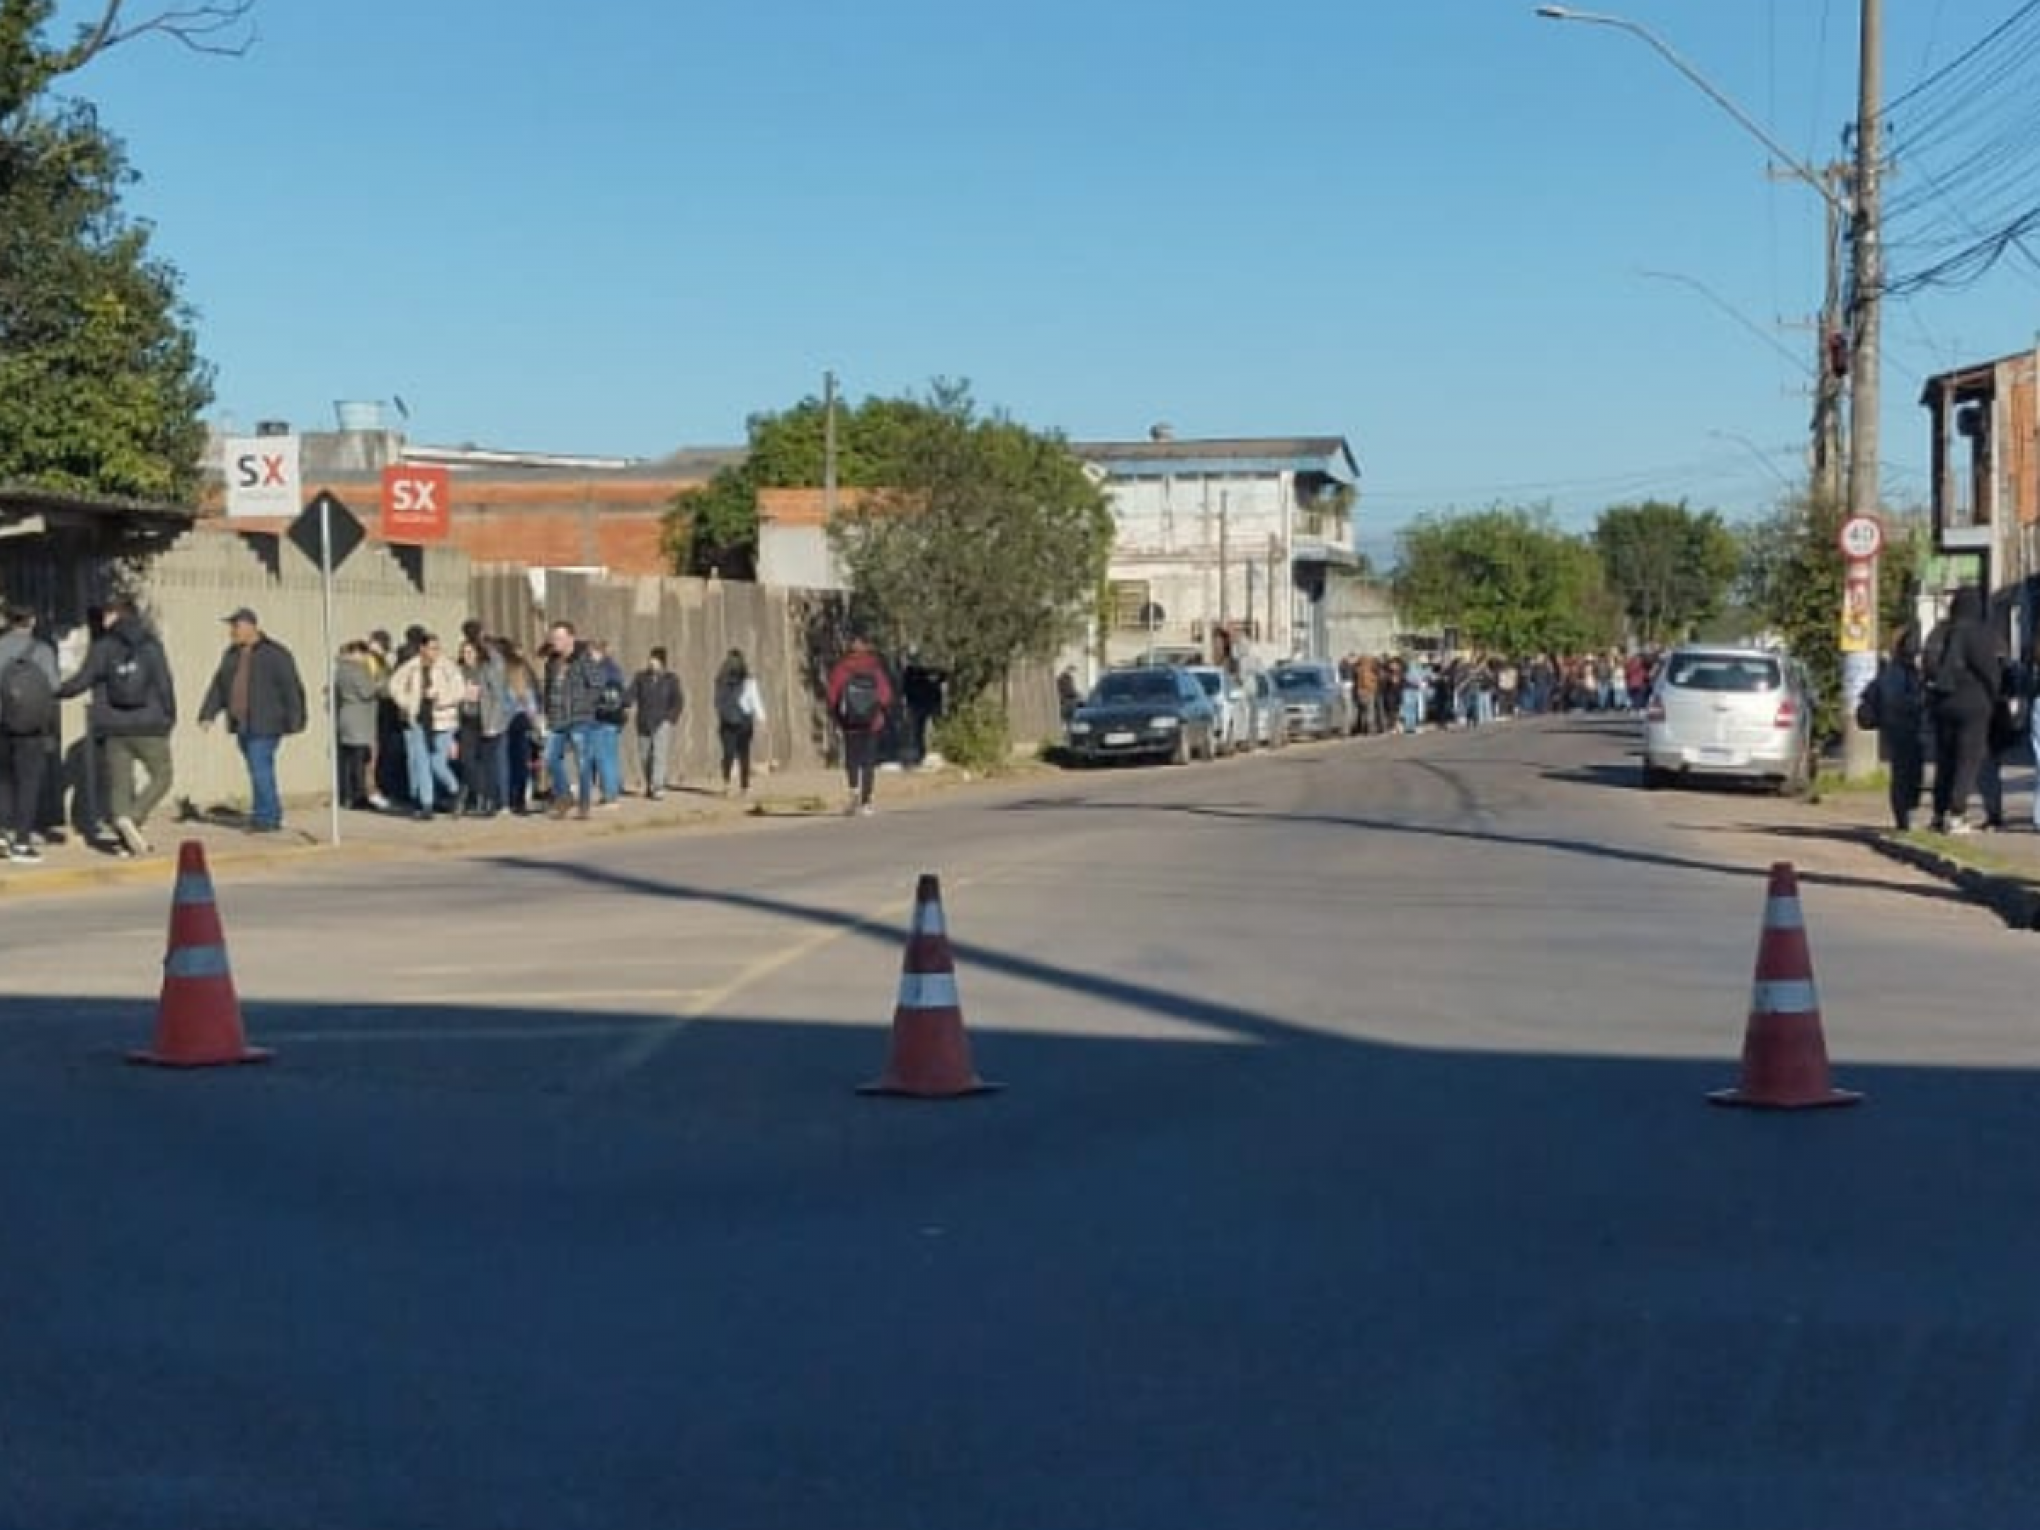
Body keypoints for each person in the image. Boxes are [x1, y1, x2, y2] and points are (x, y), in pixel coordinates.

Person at [55, 598, 178, 857]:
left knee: (119, 784)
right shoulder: (151, 644)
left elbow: (82, 680)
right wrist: (169, 717)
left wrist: (56, 690)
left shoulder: (103, 646)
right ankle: (133, 818)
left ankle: (125, 831)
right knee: (162, 775)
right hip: (149, 724)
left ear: (116, 615)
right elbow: (164, 683)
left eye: (106, 614)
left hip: (113, 726)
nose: (102, 619)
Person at [197, 607, 307, 834]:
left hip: (267, 721)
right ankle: (269, 813)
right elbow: (219, 686)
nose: (232, 632)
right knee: (258, 769)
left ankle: (266, 819)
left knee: (260, 767)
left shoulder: (275, 653)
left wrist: (296, 719)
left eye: (235, 626)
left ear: (250, 626)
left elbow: (292, 687)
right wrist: (208, 714)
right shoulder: (231, 655)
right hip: (242, 722)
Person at [1922, 585, 2003, 835]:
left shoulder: (1939, 632)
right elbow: (1990, 671)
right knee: (1968, 760)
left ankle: (1938, 813)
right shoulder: (1979, 633)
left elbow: (1927, 665)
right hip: (1974, 704)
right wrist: (1995, 697)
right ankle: (1957, 815)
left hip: (1942, 702)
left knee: (1945, 760)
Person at [0, 605, 60, 863]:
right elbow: (55, 686)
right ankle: (22, 843)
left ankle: (2, 834)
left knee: (3, 780)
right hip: (32, 727)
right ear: (32, 621)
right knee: (28, 783)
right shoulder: (42, 651)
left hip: (1, 722)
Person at [386, 632, 464, 820]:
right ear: (422, 649)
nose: (435, 652)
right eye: (431, 648)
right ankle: (427, 804)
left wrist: (440, 697)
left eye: (437, 648)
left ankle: (455, 789)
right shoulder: (412, 667)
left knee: (437, 763)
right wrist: (407, 702)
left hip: (443, 721)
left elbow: (459, 690)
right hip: (419, 720)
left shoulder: (447, 666)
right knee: (422, 763)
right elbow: (394, 685)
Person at [1860, 627, 1927, 831]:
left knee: (1910, 773)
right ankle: (1904, 818)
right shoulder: (1897, 673)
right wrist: (1921, 701)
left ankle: (1906, 816)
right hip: (1902, 728)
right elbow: (1897, 701)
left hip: (1903, 728)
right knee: (1905, 774)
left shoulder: (1902, 671)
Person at [826, 633, 895, 816]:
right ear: (866, 648)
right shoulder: (874, 669)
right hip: (872, 722)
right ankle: (866, 802)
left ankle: (854, 791)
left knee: (852, 759)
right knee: (869, 762)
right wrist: (880, 713)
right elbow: (886, 696)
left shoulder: (841, 669)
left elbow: (832, 698)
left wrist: (837, 719)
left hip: (849, 723)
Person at [540, 620, 600, 819]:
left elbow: (597, 685)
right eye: (553, 638)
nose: (555, 642)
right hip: (556, 719)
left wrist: (584, 706)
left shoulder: (584, 659)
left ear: (570, 638)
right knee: (549, 758)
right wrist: (545, 713)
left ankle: (584, 805)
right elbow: (548, 690)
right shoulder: (552, 662)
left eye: (559, 638)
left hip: (579, 718)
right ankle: (565, 796)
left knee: (583, 762)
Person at [629, 646, 684, 798]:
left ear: (662, 662)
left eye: (654, 660)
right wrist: (624, 703)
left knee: (660, 755)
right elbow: (631, 694)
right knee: (645, 757)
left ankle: (658, 786)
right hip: (643, 721)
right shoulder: (640, 677)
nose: (651, 662)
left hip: (662, 722)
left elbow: (678, 700)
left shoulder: (671, 679)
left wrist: (670, 718)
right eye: (650, 659)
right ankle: (650, 784)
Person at [334, 640, 382, 811]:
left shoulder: (340, 670)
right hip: (360, 718)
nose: (364, 657)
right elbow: (366, 691)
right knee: (359, 759)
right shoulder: (358, 670)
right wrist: (377, 683)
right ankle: (359, 796)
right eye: (363, 653)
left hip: (346, 714)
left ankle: (347, 795)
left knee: (347, 759)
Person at [712, 648, 763, 798]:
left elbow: (755, 699)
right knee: (729, 753)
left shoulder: (749, 681)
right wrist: (723, 711)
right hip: (727, 721)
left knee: (743, 754)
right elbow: (717, 700)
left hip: (743, 720)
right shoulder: (720, 681)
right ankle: (726, 784)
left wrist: (761, 717)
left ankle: (744, 786)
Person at [586, 637, 628, 808]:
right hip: (614, 719)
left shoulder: (596, 670)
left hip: (598, 718)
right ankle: (611, 794)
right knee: (611, 757)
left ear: (598, 652)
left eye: (590, 653)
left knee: (603, 758)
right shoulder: (615, 669)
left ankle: (609, 797)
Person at [901, 650, 944, 767]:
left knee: (932, 729)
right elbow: (905, 689)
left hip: (928, 704)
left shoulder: (927, 671)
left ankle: (936, 753)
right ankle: (920, 755)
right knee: (918, 732)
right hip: (916, 705)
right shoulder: (910, 672)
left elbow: (942, 677)